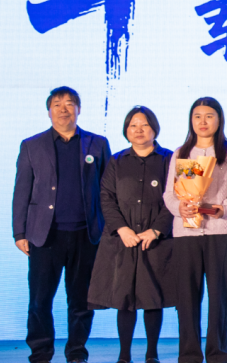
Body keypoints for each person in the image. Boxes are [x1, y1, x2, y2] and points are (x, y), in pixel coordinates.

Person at [14, 86, 111, 363]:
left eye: (69, 104)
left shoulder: (97, 143)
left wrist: (108, 230)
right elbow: (22, 190)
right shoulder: (32, 145)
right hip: (45, 235)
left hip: (87, 235)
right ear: (49, 111)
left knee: (81, 300)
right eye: (57, 104)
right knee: (39, 300)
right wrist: (20, 232)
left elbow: (107, 189)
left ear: (78, 109)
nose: (63, 109)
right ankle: (41, 352)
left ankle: (77, 352)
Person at [163, 97, 227, 363]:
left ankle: (217, 354)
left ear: (219, 120)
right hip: (186, 234)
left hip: (220, 232)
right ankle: (189, 355)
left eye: (209, 116)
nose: (203, 121)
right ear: (191, 120)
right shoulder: (180, 153)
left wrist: (224, 208)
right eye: (197, 116)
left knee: (220, 296)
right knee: (186, 297)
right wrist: (180, 208)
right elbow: (169, 194)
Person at [88, 106, 176, 363]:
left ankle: (152, 354)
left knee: (153, 297)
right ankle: (124, 355)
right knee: (124, 298)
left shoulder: (170, 159)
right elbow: (106, 197)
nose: (138, 130)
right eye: (133, 125)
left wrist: (157, 229)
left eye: (144, 125)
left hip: (156, 240)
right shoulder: (116, 161)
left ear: (154, 129)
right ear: (126, 130)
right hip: (123, 240)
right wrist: (122, 229)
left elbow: (178, 195)